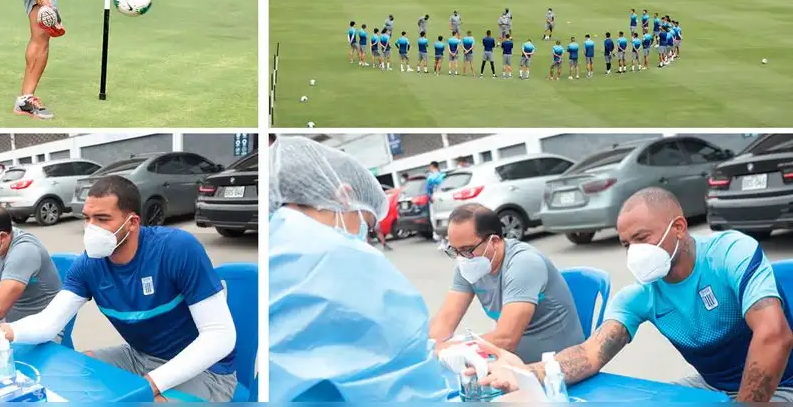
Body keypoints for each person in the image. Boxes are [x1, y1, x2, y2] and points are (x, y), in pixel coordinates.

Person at [473, 187, 793, 403]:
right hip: (713, 387)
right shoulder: (641, 295)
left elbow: (773, 336)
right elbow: (588, 355)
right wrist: (523, 373)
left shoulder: (731, 253)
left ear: (679, 227)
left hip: (783, 385)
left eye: (642, 237)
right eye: (627, 244)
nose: (635, 251)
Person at [0, 175, 238, 402]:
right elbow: (48, 323)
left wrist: (152, 384)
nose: (91, 227)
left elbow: (220, 336)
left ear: (132, 222)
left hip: (208, 372)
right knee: (74, 373)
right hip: (140, 355)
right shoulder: (89, 264)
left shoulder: (176, 249)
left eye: (103, 219)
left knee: (139, 402)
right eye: (88, 218)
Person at [268, 136, 450, 401]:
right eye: (365, 222)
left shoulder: (274, 238)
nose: (364, 237)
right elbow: (404, 383)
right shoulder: (340, 256)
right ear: (344, 196)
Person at [431, 205, 583, 363]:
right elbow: (442, 326)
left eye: (467, 249)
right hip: (513, 363)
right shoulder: (467, 265)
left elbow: (505, 340)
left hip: (558, 366)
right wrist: (431, 346)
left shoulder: (524, 263)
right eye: (455, 251)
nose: (461, 258)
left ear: (495, 241)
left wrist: (452, 348)